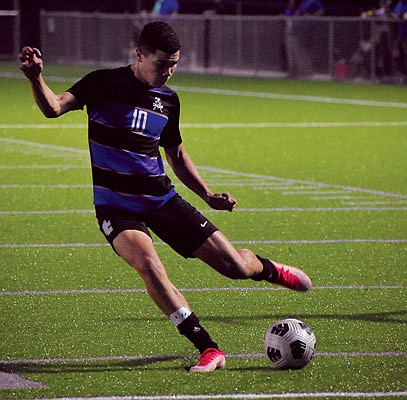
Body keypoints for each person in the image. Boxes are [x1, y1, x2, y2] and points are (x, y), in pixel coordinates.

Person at [18, 21, 312, 373]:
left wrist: (206, 194)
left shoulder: (168, 101)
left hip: (161, 200)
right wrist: (36, 78)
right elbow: (54, 107)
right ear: (139, 54)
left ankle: (267, 269)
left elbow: (176, 155)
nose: (169, 72)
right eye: (162, 64)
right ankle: (209, 348)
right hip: (116, 207)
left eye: (174, 64)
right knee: (149, 265)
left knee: (234, 266)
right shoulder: (101, 83)